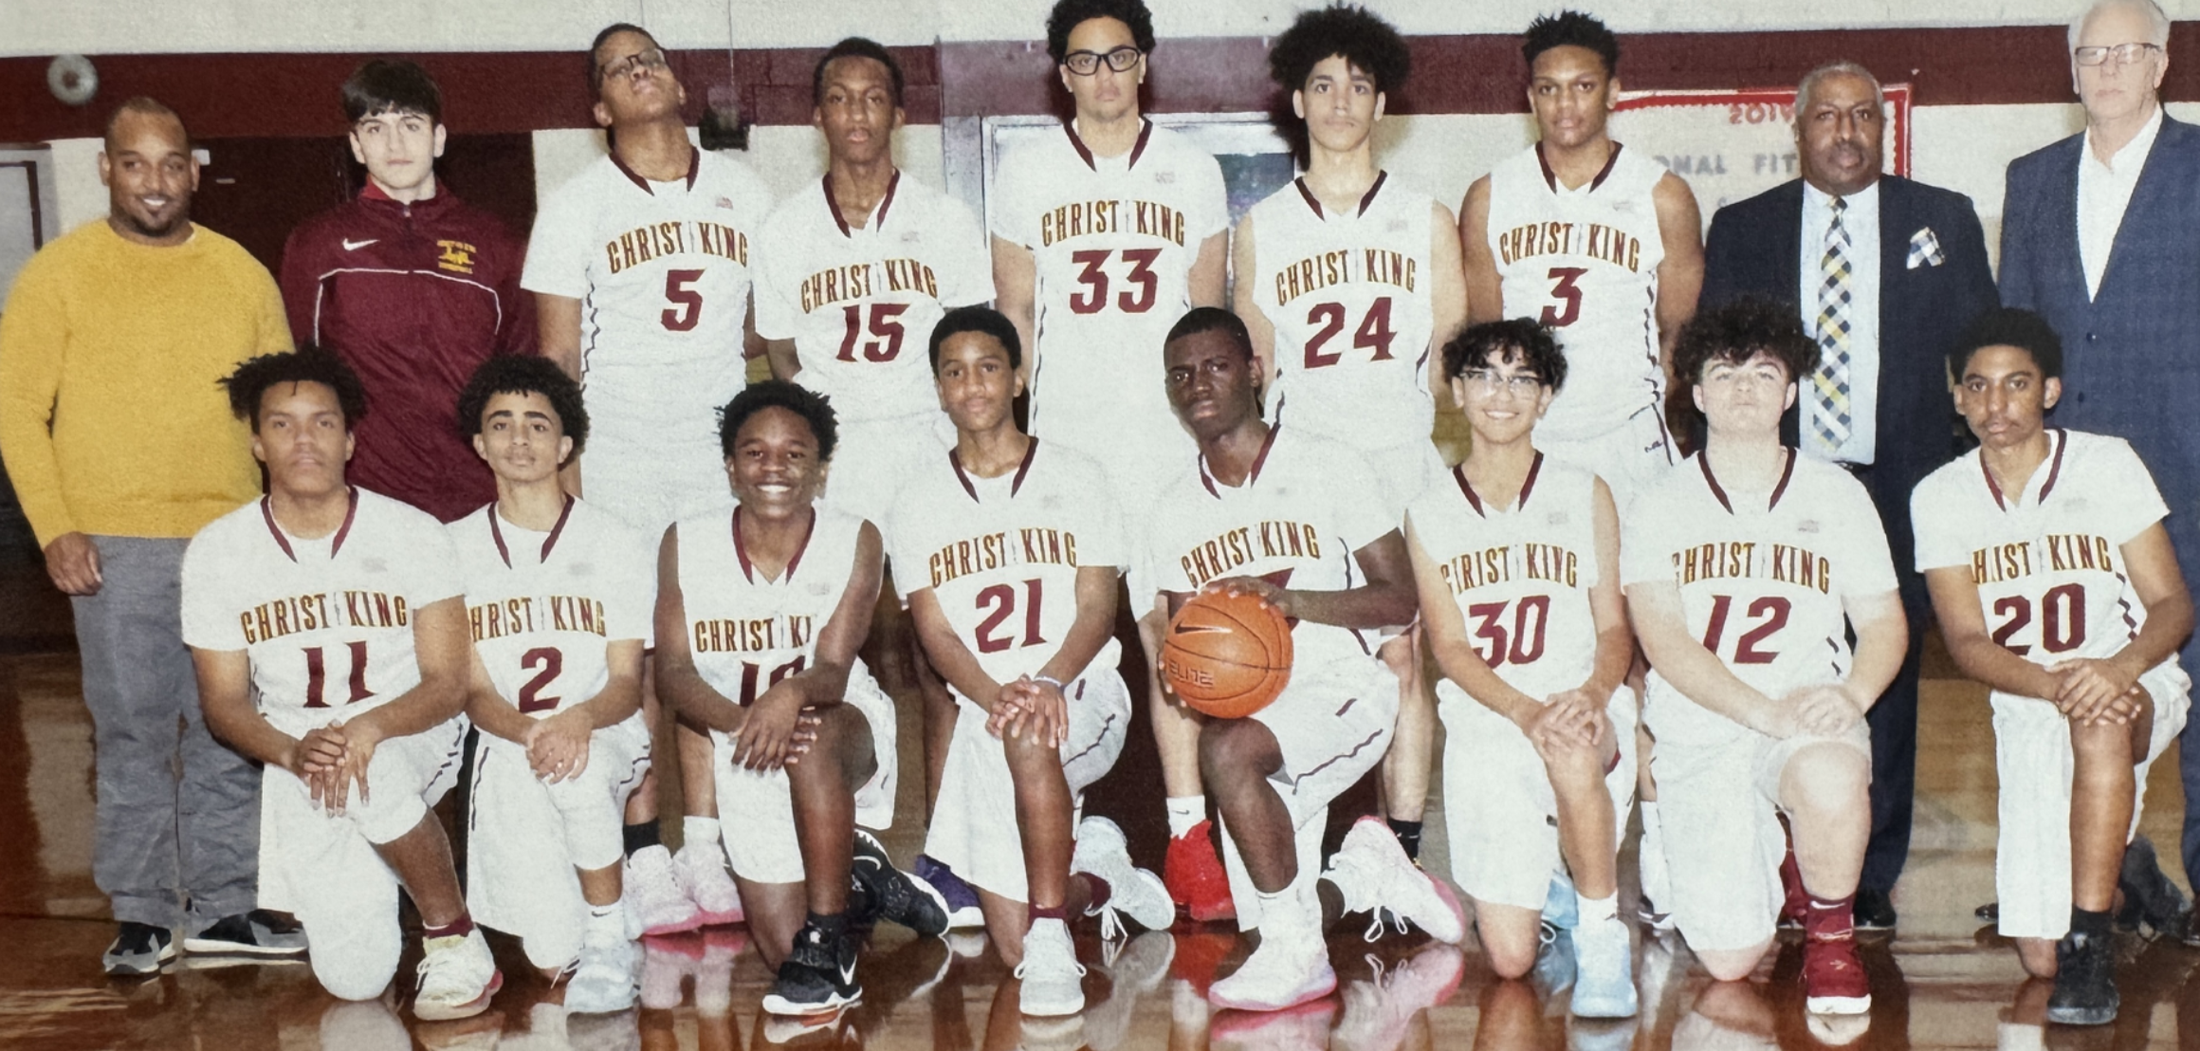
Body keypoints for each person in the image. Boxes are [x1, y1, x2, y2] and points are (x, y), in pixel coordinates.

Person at [0, 97, 298, 976]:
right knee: (132, 733)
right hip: (114, 542)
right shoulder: (59, 273)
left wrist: (281, 528)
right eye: (135, 163)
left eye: (172, 163)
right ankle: (141, 912)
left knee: (229, 726)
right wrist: (55, 527)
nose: (155, 182)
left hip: (230, 540)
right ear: (106, 169)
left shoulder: (241, 273)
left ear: (194, 171)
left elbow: (282, 409)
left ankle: (226, 904)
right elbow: (17, 410)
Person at [1699, 60, 1998, 932]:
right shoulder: (1744, 226)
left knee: (1886, 671)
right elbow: (1714, 360)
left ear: (1883, 127)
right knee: (1774, 654)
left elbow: (1981, 354)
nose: (1845, 131)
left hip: (1898, 479)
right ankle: (1772, 850)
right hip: (1778, 481)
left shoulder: (1940, 218)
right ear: (1797, 130)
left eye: (1862, 114)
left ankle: (1866, 869)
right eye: (1827, 115)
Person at [523, 21, 778, 935]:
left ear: (676, 83)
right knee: (627, 654)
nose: (638, 72)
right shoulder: (576, 205)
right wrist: (564, 480)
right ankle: (643, 853)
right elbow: (557, 357)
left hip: (711, 452)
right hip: (619, 452)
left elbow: (762, 325)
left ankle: (705, 842)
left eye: (650, 59)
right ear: (599, 108)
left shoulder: (747, 191)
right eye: (617, 68)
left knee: (705, 645)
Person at [1144, 307, 1463, 1013]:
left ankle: (1304, 963)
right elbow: (1184, 643)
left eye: (1217, 365)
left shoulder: (1331, 464)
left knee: (1227, 753)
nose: (1199, 384)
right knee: (1271, 914)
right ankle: (1364, 876)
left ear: (1255, 371)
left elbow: (1400, 598)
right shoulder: (1171, 508)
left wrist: (1293, 603)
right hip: (1257, 714)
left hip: (1345, 691)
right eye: (1182, 374)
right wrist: (1187, 668)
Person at [989, 0, 1234, 921]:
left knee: (1173, 633)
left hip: (1165, 437)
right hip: (1070, 441)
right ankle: (1077, 827)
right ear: (1063, 72)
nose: (1103, 75)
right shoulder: (1026, 170)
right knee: (1070, 638)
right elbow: (1015, 314)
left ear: (1144, 64)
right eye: (1085, 60)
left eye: (1119, 56)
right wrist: (1012, 436)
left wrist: (1213, 438)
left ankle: (1187, 834)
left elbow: (1205, 320)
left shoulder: (1193, 170)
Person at [1458, 9, 1702, 930]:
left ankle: (1662, 849)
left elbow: (1679, 341)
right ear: (1529, 96)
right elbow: (1487, 346)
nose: (1567, 104)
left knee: (1644, 649)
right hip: (1536, 450)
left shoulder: (1660, 193)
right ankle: (1558, 859)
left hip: (1632, 446)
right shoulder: (1492, 194)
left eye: (1584, 86)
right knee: (1548, 648)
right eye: (1549, 88)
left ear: (1613, 91)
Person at [182, 347, 499, 1019]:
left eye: (323, 423)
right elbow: (225, 704)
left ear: (350, 440)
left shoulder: (412, 532)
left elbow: (448, 682)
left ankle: (454, 937)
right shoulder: (217, 551)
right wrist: (291, 751)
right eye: (283, 424)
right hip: (297, 743)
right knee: (355, 977)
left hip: (409, 724)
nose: (305, 440)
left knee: (368, 770)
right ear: (256, 442)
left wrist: (368, 727)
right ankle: (386, 844)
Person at [1621, 299, 1906, 1017]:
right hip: (1705, 720)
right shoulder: (1658, 501)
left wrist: (1853, 694)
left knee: (1831, 772)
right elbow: (1665, 642)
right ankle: (1789, 856)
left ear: (1792, 392)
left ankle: (1831, 936)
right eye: (1724, 373)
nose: (1744, 388)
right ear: (1696, 392)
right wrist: (1762, 712)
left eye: (1764, 372)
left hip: (1804, 703)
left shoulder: (1837, 493)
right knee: (1730, 958)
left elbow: (1883, 623)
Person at [1233, 2, 1468, 868]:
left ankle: (1397, 852)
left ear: (1381, 103)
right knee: (1305, 653)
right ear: (1297, 100)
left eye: (1358, 86)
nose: (1340, 102)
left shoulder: (1426, 218)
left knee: (1405, 651)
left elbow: (1449, 366)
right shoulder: (1262, 227)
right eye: (1323, 85)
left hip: (1400, 454)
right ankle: (1307, 842)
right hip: (1310, 469)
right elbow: (1254, 371)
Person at [1912, 308, 2192, 1026]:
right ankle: (2127, 872)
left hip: (2136, 683)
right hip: (2030, 698)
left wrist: (2117, 670)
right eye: (1978, 385)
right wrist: (2056, 684)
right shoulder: (1938, 495)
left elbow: (2172, 606)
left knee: (2099, 724)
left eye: (2016, 383)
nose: (1996, 403)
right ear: (1958, 397)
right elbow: (1966, 641)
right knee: (2038, 957)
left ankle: (2090, 945)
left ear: (2050, 390)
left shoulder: (2107, 463)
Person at [892, 307, 1174, 1017]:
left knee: (1028, 737)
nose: (973, 385)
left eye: (988, 367)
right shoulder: (917, 500)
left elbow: (1096, 609)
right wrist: (996, 694)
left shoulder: (1079, 474)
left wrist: (1047, 681)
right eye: (955, 372)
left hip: (1083, 691)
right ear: (938, 388)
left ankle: (1054, 932)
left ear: (1018, 378)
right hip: (988, 714)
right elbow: (936, 634)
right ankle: (1099, 882)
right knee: (1009, 941)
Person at [654, 380, 951, 1017]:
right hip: (744, 741)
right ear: (729, 465)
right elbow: (673, 675)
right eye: (755, 452)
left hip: (839, 727)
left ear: (820, 469)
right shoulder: (686, 540)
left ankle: (827, 943)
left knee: (808, 740)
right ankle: (865, 885)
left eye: (794, 454)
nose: (774, 468)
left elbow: (833, 671)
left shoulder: (856, 536)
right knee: (776, 950)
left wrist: (786, 696)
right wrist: (744, 723)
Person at [1997, 0, 2200, 900]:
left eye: (2128, 51)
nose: (2109, 67)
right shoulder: (2033, 177)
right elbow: (2016, 336)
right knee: (2072, 677)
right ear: (2071, 67)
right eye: (2092, 53)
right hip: (2067, 483)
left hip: (2188, 469)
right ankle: (2095, 876)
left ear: (2162, 64)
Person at [1403, 319, 1637, 1017]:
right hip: (1493, 717)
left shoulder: (1585, 490)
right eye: (1483, 375)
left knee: (1570, 747)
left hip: (1581, 701)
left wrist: (1593, 692)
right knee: (1509, 959)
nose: (1500, 394)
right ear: (1456, 390)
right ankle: (1556, 885)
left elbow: (1613, 628)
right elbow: (1450, 648)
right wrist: (1525, 711)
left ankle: (1602, 934)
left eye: (1521, 379)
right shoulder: (1429, 511)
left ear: (1546, 397)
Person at [449, 355, 653, 1013]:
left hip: (604, 730)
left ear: (566, 445)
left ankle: (609, 938)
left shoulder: (617, 541)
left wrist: (576, 721)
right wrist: (532, 730)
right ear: (479, 443)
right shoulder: (451, 548)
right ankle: (603, 905)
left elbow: (626, 683)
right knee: (549, 957)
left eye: (538, 424)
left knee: (578, 775)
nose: (519, 439)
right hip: (508, 741)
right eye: (501, 424)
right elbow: (474, 690)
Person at [279, 59, 537, 523]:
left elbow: (524, 381)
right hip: (368, 504)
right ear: (356, 146)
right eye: (375, 128)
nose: (395, 144)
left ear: (438, 138)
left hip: (482, 502)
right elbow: (299, 384)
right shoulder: (318, 245)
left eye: (411, 125)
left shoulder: (497, 244)